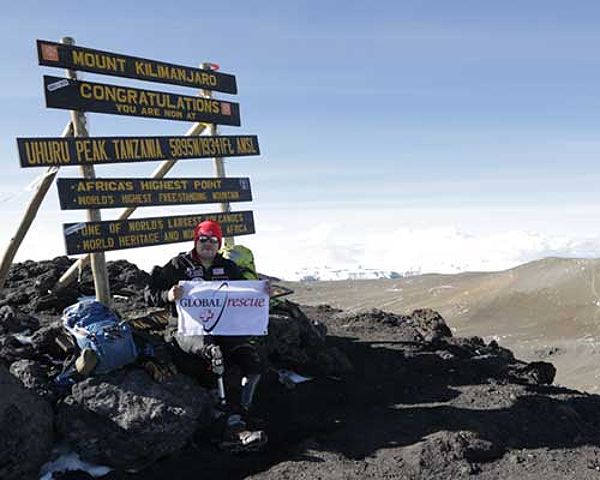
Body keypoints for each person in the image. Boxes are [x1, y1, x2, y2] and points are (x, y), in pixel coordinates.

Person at [144, 220, 267, 452]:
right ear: (195, 240)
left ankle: (242, 412)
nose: (208, 244)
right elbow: (149, 293)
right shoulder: (179, 264)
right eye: (203, 239)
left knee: (250, 359)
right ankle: (230, 426)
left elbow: (245, 293)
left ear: (219, 244)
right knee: (215, 354)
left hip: (223, 328)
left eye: (213, 240)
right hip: (185, 329)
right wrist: (167, 295)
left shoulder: (229, 267)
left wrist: (263, 292)